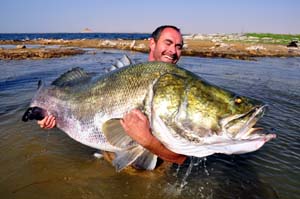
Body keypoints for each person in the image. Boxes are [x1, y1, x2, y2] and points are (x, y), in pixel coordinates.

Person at [38, 25, 187, 166]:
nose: (173, 51)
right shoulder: (126, 76)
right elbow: (85, 110)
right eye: (168, 43)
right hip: (109, 155)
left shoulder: (181, 87)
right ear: (152, 44)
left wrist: (147, 141)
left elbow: (181, 157)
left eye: (178, 46)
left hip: (155, 164)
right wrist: (50, 115)